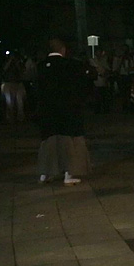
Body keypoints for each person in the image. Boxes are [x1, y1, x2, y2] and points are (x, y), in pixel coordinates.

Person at [36, 38, 92, 185]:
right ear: (63, 49)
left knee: (48, 142)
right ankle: (69, 173)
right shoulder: (72, 65)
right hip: (68, 110)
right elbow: (82, 87)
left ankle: (45, 173)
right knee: (69, 142)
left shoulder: (41, 67)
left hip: (47, 111)